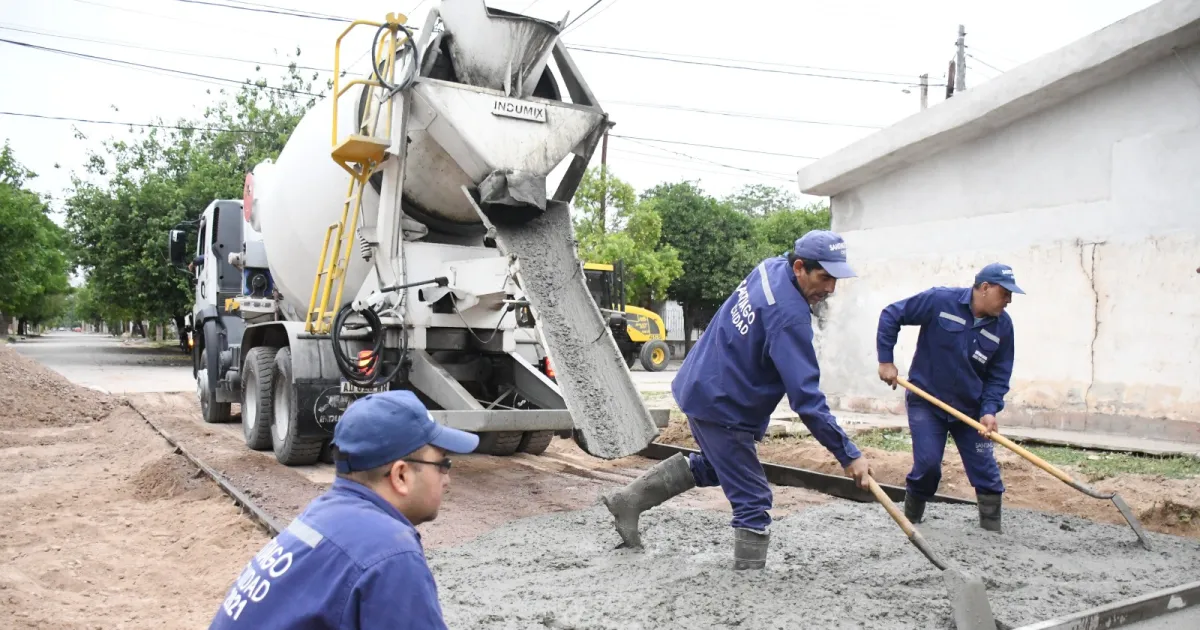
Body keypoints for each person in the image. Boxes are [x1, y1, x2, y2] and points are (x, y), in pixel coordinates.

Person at [601, 230, 871, 570]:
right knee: (753, 498)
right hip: (721, 403)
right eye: (825, 277)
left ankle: (628, 501)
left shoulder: (771, 268)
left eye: (836, 279)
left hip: (704, 383)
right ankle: (749, 584)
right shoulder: (789, 317)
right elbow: (806, 399)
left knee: (717, 466)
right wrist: (848, 454)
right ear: (800, 267)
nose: (830, 288)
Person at [207, 390, 479, 629]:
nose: (447, 479)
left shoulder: (324, 514)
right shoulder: (390, 553)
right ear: (401, 475)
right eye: (443, 464)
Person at [876, 263, 1023, 533]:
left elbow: (999, 376)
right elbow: (891, 315)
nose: (1009, 300)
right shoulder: (940, 301)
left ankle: (992, 533)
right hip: (927, 403)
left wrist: (989, 410)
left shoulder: (1004, 327)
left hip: (970, 410)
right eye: (1005, 293)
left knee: (986, 470)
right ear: (985, 287)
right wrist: (886, 360)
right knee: (927, 466)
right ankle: (911, 523)